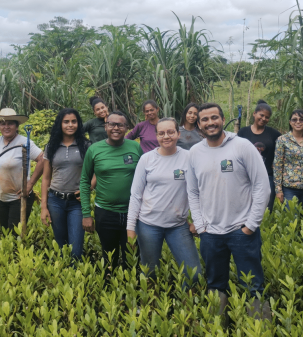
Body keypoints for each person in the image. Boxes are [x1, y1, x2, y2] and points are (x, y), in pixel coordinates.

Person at [186, 103, 270, 317]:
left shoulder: (242, 146)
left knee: (252, 284)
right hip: (210, 233)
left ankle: (259, 328)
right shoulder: (194, 152)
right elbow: (193, 192)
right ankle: (218, 327)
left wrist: (251, 225)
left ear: (223, 120)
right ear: (198, 124)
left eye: (214, 117)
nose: (210, 122)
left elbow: (262, 186)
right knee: (215, 283)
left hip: (241, 230)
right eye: (204, 119)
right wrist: (202, 226)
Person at [127, 117, 202, 284]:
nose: (166, 136)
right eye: (161, 133)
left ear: (178, 133)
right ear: (156, 136)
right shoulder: (147, 159)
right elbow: (136, 195)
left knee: (194, 273)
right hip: (148, 225)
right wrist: (130, 228)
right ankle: (151, 306)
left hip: (178, 225)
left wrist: (198, 220)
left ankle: (185, 306)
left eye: (170, 132)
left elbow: (198, 192)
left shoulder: (189, 158)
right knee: (149, 273)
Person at [80, 111, 144, 270]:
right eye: (112, 124)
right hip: (106, 213)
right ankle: (110, 288)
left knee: (133, 255)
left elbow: (146, 178)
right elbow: (84, 181)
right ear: (105, 126)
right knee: (109, 256)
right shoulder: (94, 149)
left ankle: (131, 291)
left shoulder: (135, 147)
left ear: (127, 128)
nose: (116, 128)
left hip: (134, 213)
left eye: (120, 125)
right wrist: (86, 214)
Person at [40, 108, 91, 260]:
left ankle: (76, 278)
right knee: (61, 245)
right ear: (60, 124)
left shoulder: (87, 146)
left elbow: (95, 173)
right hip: (55, 200)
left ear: (78, 124)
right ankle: (64, 279)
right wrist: (44, 207)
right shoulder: (51, 146)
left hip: (77, 202)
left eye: (74, 121)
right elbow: (45, 178)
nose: (70, 125)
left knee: (76, 249)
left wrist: (88, 189)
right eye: (66, 122)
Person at [0, 108, 44, 233]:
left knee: (15, 235)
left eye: (10, 123)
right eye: (3, 123)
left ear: (17, 126)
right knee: (5, 232)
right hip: (1, 197)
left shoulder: (25, 142)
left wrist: (30, 185)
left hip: (19, 199)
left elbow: (43, 159)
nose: (6, 127)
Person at [238, 100, 281, 212]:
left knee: (266, 207)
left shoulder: (273, 133)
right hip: (246, 176)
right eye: (261, 115)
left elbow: (284, 145)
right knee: (246, 207)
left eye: (267, 117)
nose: (263, 119)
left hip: (267, 176)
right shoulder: (243, 132)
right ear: (254, 113)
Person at [273, 110, 303, 210]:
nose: (298, 122)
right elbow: (278, 165)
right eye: (294, 119)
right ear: (290, 122)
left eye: (301, 119)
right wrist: (278, 189)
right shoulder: (282, 140)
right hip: (289, 187)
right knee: (291, 219)